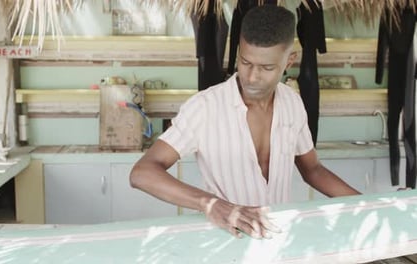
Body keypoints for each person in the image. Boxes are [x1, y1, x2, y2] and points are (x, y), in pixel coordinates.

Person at [129, 5, 360, 240]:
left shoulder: (293, 103)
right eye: (245, 62)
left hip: (277, 240)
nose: (252, 77)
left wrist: (369, 204)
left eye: (267, 68)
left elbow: (313, 170)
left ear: (289, 61)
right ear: (239, 51)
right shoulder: (205, 107)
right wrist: (211, 204)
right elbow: (142, 173)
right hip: (225, 242)